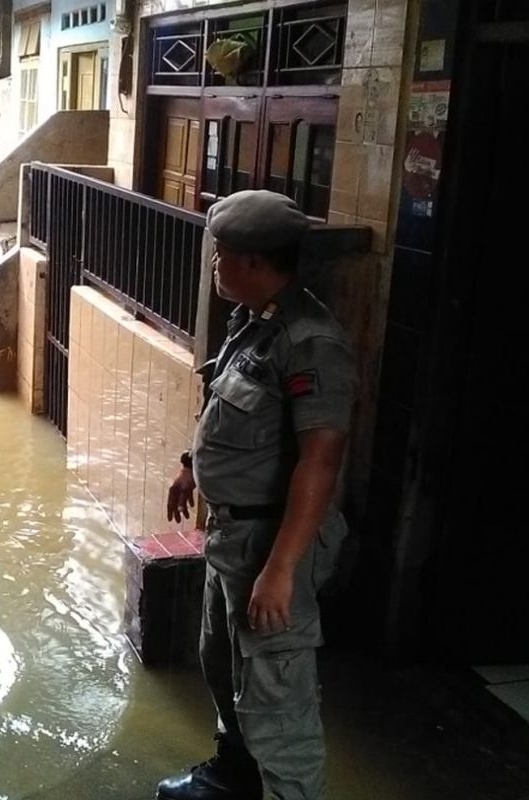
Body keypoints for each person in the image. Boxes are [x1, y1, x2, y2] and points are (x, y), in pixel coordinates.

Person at [159, 191, 355, 800]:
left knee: (277, 698)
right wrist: (193, 467)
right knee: (222, 663)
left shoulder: (310, 341)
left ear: (251, 260)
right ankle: (234, 777)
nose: (214, 264)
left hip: (273, 546)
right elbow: (231, 408)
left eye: (221, 254)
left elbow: (320, 462)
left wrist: (281, 570)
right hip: (232, 539)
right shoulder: (255, 320)